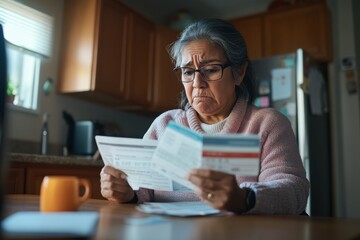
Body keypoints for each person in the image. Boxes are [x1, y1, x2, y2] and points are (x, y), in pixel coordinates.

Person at [100, 18, 309, 215]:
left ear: (239, 72)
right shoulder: (165, 125)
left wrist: (245, 198)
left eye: (210, 70)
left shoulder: (266, 124)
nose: (197, 83)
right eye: (188, 72)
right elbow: (143, 189)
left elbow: (293, 189)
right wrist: (126, 192)